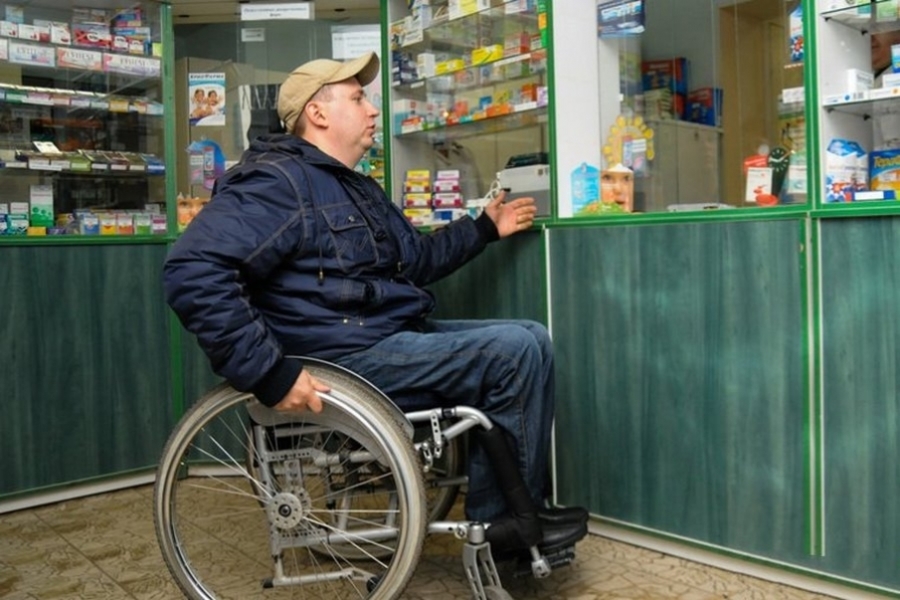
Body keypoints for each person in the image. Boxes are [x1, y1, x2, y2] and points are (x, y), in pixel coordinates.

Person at [163, 52, 588, 559]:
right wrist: (269, 373)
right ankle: (504, 532)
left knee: (532, 337)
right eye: (358, 98)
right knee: (511, 351)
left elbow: (415, 260)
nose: (372, 110)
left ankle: (521, 512)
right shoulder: (277, 182)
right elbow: (192, 270)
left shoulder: (354, 185)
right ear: (318, 113)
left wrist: (483, 229)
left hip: (378, 337)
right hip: (339, 359)